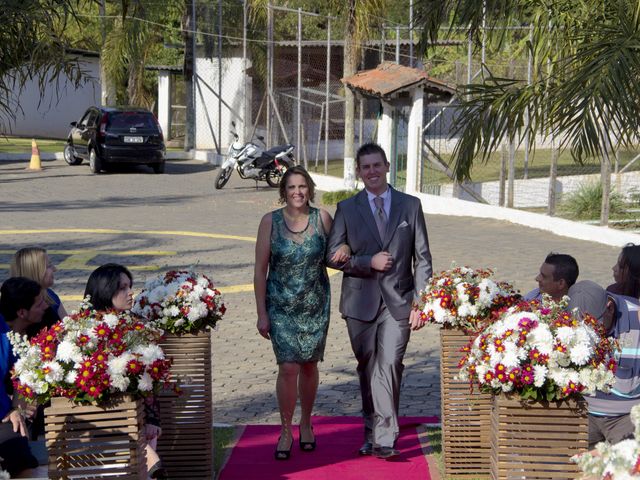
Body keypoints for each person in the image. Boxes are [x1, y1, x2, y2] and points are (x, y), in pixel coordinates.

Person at [326, 143, 432, 460]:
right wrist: (366, 261)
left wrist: (421, 300)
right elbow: (332, 258)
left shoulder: (410, 206)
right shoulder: (347, 208)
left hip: (399, 302)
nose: (372, 171)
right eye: (365, 166)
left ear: (387, 166)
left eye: (377, 165)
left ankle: (386, 438)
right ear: (359, 171)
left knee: (389, 366)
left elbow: (423, 258)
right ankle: (371, 432)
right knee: (368, 368)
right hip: (360, 304)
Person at [254, 166, 349, 460]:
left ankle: (306, 422)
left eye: (302, 187)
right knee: (288, 367)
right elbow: (260, 270)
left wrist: (344, 245)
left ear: (310, 188)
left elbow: (339, 249)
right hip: (280, 306)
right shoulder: (269, 221)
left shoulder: (322, 218)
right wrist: (261, 312)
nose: (298, 192)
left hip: (315, 305)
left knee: (309, 366)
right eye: (292, 187)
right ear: (284, 191)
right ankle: (285, 430)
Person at [84, 264, 166, 479]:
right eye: (122, 288)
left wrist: (152, 420)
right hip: (100, 415)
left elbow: (151, 378)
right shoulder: (85, 330)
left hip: (137, 412)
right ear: (105, 290)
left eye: (130, 286)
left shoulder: (139, 326)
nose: (130, 293)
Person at [567, 280, 640, 449]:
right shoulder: (568, 321)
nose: (589, 332)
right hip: (581, 411)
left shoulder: (636, 317)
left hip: (625, 416)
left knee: (628, 467)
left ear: (610, 308)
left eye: (594, 324)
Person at [0, 277, 46, 476]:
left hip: (2, 417)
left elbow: (22, 374)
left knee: (21, 459)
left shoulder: (3, 331)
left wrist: (19, 409)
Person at [10, 247, 68, 337]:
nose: (54, 269)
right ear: (35, 272)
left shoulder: (50, 295)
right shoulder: (18, 310)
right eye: (48, 266)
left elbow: (69, 328)